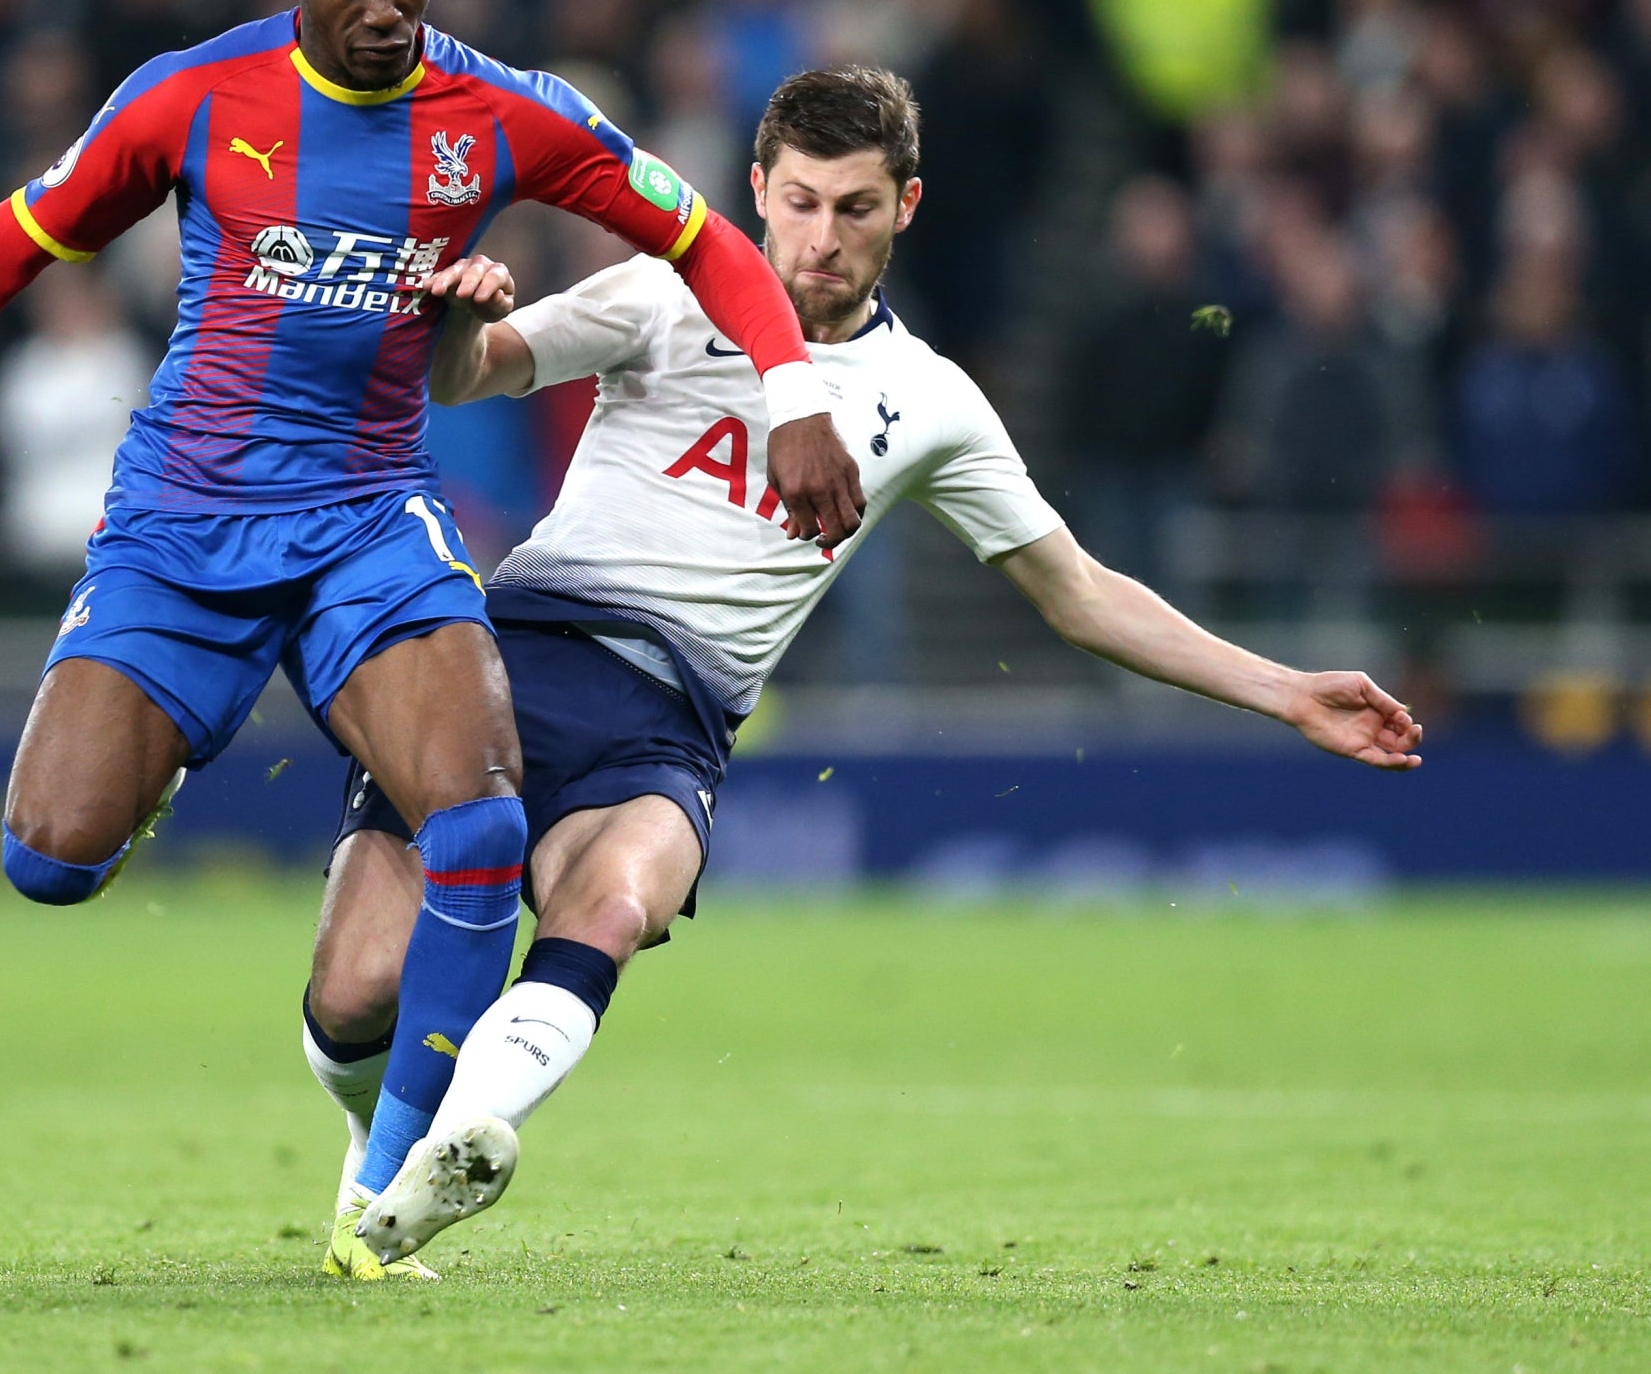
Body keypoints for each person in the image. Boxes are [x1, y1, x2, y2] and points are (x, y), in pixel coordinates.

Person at [0, 0, 869, 1274]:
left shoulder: (505, 114)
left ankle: (378, 1204)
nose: (387, 12)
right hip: (181, 524)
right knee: (47, 860)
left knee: (480, 821)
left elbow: (709, 238)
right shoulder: (194, 99)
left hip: (369, 520)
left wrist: (795, 394)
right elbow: (7, 246)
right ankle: (169, 735)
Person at [305, 66, 1425, 1273]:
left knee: (616, 900)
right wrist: (461, 312)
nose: (820, 237)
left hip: (670, 721)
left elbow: (1080, 592)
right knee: (355, 992)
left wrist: (1285, 687)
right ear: (756, 192)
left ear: (907, 206)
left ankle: (470, 1134)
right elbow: (469, 372)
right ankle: (386, 1137)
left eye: (853, 208)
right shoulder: (660, 290)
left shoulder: (931, 400)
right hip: (514, 659)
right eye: (797, 203)